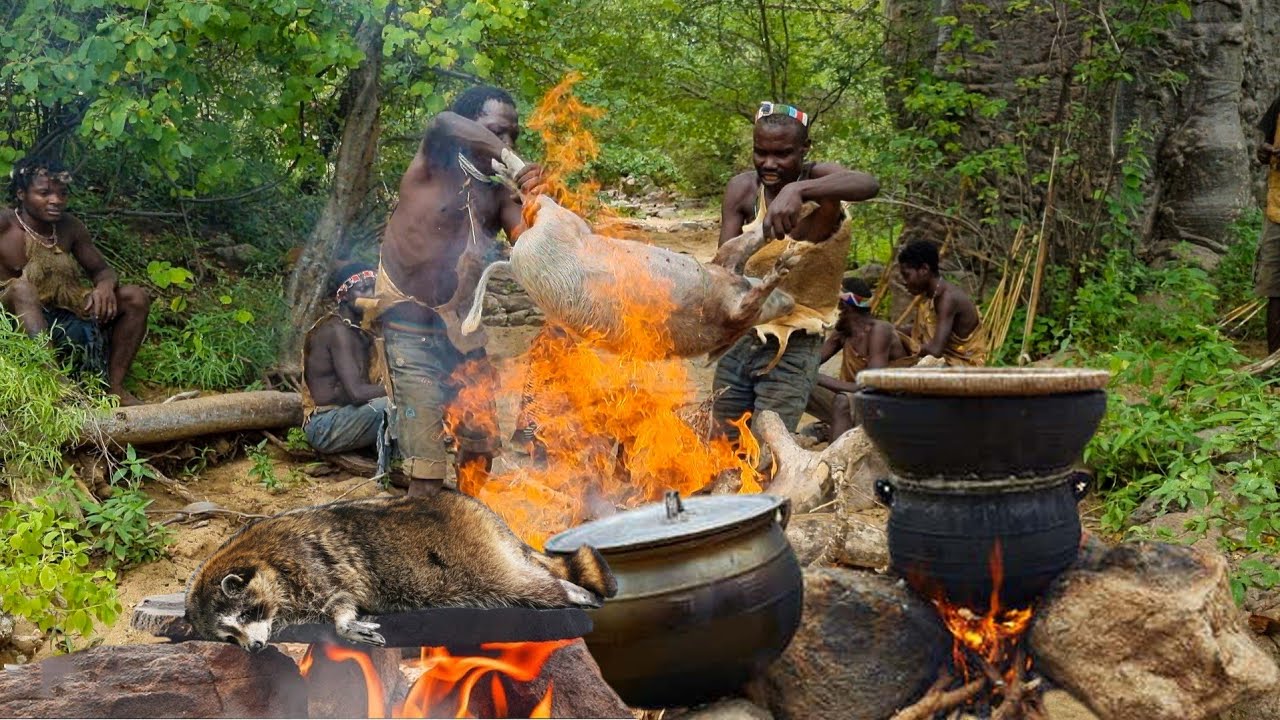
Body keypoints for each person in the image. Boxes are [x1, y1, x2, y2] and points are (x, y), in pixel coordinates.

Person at [369, 85, 542, 497]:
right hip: (409, 335)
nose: (507, 141)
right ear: (469, 127)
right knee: (426, 476)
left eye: (514, 135)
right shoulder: (433, 164)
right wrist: (509, 157)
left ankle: (469, 522)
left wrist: (540, 201)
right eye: (496, 131)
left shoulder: (498, 194)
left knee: (479, 451)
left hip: (463, 338)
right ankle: (426, 528)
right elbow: (443, 122)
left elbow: (530, 241)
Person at [711, 101, 880, 445]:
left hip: (797, 341)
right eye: (761, 152)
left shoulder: (818, 178)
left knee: (769, 445)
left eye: (783, 154)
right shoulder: (743, 189)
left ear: (805, 149)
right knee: (722, 442)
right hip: (742, 335)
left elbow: (868, 184)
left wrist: (797, 190)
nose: (769, 163)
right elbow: (725, 268)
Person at [0, 155, 151, 405]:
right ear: (21, 194)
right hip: (12, 317)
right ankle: (58, 388)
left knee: (134, 297)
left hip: (62, 311)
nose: (56, 200)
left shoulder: (70, 227)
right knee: (21, 288)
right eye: (44, 193)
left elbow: (103, 271)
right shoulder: (5, 224)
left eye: (62, 193)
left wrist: (104, 287)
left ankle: (113, 388)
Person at [805, 277, 909, 440]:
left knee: (843, 401)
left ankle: (836, 455)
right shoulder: (842, 333)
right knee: (794, 381)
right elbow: (808, 364)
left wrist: (815, 377)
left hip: (885, 409)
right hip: (854, 403)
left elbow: (872, 387)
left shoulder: (879, 331)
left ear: (843, 307)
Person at [300, 263, 387, 454]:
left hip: (348, 416)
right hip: (325, 425)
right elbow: (356, 393)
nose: (370, 294)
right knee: (392, 406)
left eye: (372, 288)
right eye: (362, 289)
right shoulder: (337, 331)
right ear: (344, 295)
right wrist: (400, 389)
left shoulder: (361, 331)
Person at [897, 238, 985, 365]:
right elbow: (926, 327)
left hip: (961, 365)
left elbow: (935, 350)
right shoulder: (932, 296)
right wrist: (893, 331)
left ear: (924, 269)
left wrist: (909, 344)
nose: (904, 281)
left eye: (906, 275)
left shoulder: (947, 298)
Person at [1255, 92, 1280, 354]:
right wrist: (1264, 151)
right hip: (1278, 209)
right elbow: (1264, 145)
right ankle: (1273, 365)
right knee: (1275, 289)